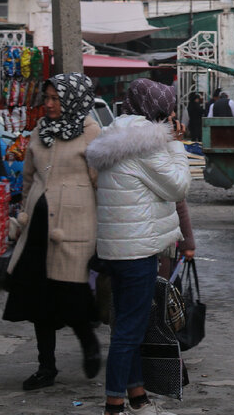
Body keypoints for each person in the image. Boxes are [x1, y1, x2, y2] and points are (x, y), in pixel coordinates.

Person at [87, 79, 191, 415]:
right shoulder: (146, 143)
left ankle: (137, 397)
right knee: (129, 331)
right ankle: (114, 404)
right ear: (157, 109)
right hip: (137, 251)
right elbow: (178, 186)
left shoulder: (115, 135)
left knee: (127, 325)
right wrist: (176, 144)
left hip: (117, 248)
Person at [4, 73, 102, 391]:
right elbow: (30, 178)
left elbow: (101, 183)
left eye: (55, 99)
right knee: (38, 299)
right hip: (38, 227)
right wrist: (21, 216)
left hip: (75, 227)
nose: (48, 104)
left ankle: (89, 344)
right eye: (46, 98)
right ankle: (46, 366)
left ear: (72, 100)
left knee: (72, 297)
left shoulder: (91, 133)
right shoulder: (39, 131)